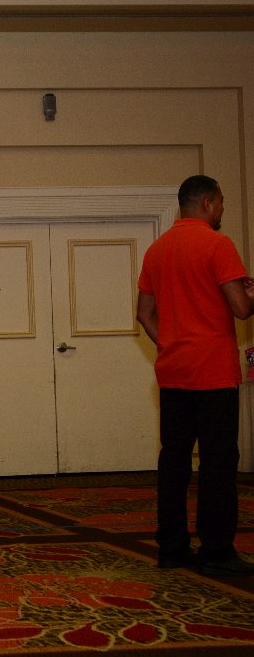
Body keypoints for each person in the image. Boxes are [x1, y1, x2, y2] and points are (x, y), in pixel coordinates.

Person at [136, 174, 254, 577]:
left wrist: (171, 342)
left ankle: (171, 548)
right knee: (218, 462)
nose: (222, 210)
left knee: (174, 460)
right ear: (206, 203)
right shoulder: (218, 244)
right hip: (213, 372)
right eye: (220, 203)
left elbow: (145, 314)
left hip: (174, 372)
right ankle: (216, 549)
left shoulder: (157, 249)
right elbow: (241, 309)